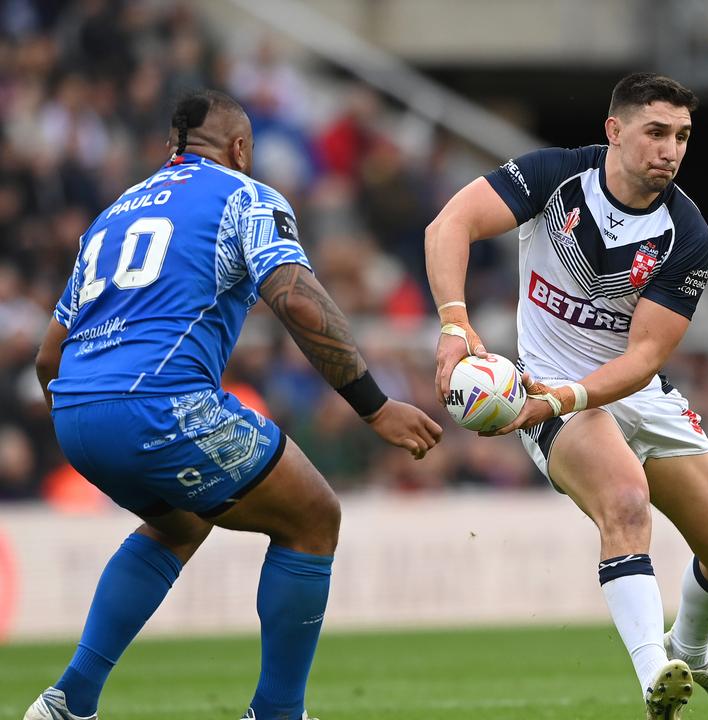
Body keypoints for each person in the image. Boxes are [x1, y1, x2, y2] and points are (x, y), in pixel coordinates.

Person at [26, 90, 441, 720]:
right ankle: (278, 713)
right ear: (241, 148)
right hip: (159, 406)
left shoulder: (110, 217)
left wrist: (89, 410)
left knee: (179, 523)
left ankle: (69, 700)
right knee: (313, 518)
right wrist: (374, 406)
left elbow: (47, 358)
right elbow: (298, 301)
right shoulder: (245, 197)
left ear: (173, 147)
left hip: (75, 412)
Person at [425, 72, 708, 720]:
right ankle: (653, 675)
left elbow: (644, 357)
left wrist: (563, 399)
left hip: (619, 389)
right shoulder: (555, 179)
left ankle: (688, 647)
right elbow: (452, 223)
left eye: (683, 137)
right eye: (656, 132)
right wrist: (453, 320)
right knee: (626, 501)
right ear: (615, 130)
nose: (670, 149)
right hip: (544, 382)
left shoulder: (685, 233)